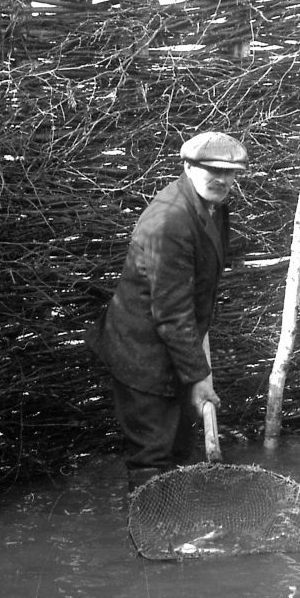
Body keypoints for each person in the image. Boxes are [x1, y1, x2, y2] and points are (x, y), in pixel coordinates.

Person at [88, 131, 248, 491]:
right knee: (151, 459)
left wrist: (200, 374)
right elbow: (172, 315)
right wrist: (197, 377)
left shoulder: (213, 207)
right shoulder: (170, 222)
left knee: (179, 452)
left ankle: (179, 534)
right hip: (141, 353)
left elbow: (199, 297)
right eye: (213, 169)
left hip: (174, 348)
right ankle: (147, 537)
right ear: (189, 166)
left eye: (230, 172)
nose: (222, 179)